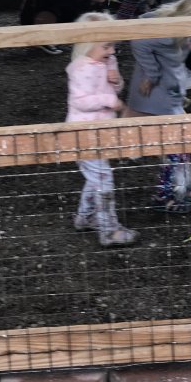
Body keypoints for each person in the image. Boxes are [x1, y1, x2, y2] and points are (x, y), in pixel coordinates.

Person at [123, 0, 191, 213]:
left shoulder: (175, 28)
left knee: (180, 144)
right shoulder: (168, 34)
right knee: (175, 146)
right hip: (157, 97)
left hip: (168, 94)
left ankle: (184, 187)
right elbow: (138, 42)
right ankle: (165, 196)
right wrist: (152, 74)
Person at [66, 13, 138, 247]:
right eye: (106, 46)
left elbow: (114, 88)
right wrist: (110, 100)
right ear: (87, 44)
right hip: (83, 133)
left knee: (96, 178)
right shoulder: (80, 68)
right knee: (103, 180)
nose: (112, 51)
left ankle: (85, 217)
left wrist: (116, 82)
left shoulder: (107, 61)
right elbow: (80, 101)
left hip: (101, 132)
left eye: (113, 46)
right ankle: (109, 230)